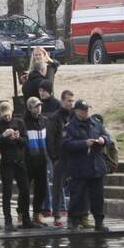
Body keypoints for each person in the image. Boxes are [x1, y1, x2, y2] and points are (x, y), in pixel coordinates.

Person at [61, 99, 112, 232]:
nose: (86, 112)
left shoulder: (96, 123)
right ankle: (73, 220)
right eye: (83, 110)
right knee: (77, 196)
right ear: (77, 111)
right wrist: (84, 143)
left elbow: (107, 137)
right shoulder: (70, 127)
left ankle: (99, 222)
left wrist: (103, 140)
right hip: (79, 167)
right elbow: (66, 144)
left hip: (96, 166)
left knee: (98, 197)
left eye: (87, 110)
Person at [0, 101, 33, 230]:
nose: (7, 118)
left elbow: (26, 142)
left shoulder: (20, 123)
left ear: (12, 112)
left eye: (8, 115)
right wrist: (4, 137)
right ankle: (8, 220)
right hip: (7, 161)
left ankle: (25, 218)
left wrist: (17, 138)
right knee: (7, 191)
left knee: (25, 190)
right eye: (4, 116)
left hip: (20, 161)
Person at [44, 89, 75, 227]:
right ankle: (56, 215)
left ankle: (75, 214)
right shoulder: (55, 118)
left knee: (75, 186)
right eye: (68, 101)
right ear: (62, 101)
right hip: (59, 157)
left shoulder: (74, 115)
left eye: (72, 101)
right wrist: (54, 158)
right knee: (57, 187)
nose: (71, 103)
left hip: (73, 156)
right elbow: (50, 139)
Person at [23, 96, 51, 227]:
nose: (39, 108)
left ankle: (36, 215)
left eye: (39, 105)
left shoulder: (44, 120)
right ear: (29, 108)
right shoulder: (23, 122)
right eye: (35, 106)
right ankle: (22, 215)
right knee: (25, 190)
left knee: (41, 189)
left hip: (42, 160)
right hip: (28, 161)